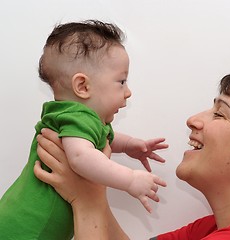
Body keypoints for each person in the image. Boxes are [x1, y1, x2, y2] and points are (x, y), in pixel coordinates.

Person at [34, 67, 230, 239]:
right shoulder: (224, 226)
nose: (194, 119)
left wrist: (85, 198)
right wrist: (92, 189)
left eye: (220, 114)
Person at [0, 20, 167, 240]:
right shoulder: (77, 117)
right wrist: (129, 179)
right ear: (83, 86)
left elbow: (97, 141)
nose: (128, 92)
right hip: (25, 231)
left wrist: (128, 145)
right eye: (122, 81)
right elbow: (81, 157)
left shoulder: (79, 122)